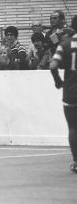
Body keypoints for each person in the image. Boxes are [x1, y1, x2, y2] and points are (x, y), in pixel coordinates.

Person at [49, 15, 77, 174]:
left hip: (71, 92)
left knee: (73, 128)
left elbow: (53, 65)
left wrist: (58, 81)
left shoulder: (65, 44)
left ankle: (76, 162)